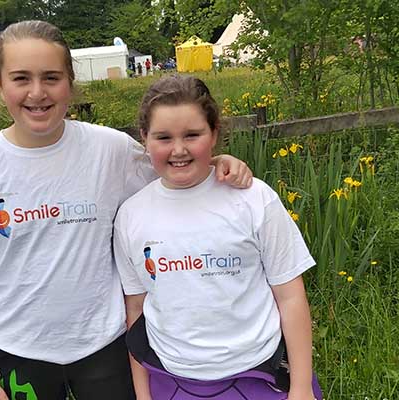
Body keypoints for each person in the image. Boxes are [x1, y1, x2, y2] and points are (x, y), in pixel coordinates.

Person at [0, 21, 253, 400]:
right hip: (18, 349)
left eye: (51, 77)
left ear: (70, 81)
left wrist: (217, 162)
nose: (37, 92)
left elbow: (177, 165)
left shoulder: (110, 150)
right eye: (21, 78)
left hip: (107, 343)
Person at [114, 75, 323, 400]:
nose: (179, 149)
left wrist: (299, 388)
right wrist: (143, 395)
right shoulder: (130, 215)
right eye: (164, 137)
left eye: (193, 135)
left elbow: (290, 296)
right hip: (173, 382)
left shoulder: (254, 199)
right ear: (144, 137)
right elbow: (136, 309)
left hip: (259, 376)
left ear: (214, 133)